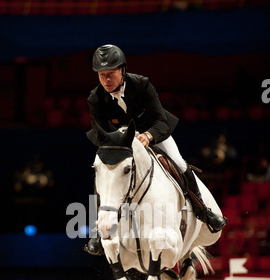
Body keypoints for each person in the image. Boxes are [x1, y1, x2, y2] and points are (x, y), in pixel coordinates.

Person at [85, 44, 227, 255]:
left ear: (123, 70)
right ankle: (99, 231)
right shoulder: (95, 98)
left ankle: (203, 210)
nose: (106, 80)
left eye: (111, 74)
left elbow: (161, 119)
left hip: (154, 134)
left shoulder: (141, 85)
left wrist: (148, 136)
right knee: (105, 177)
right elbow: (100, 132)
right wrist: (119, 144)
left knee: (178, 163)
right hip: (121, 145)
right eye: (101, 75)